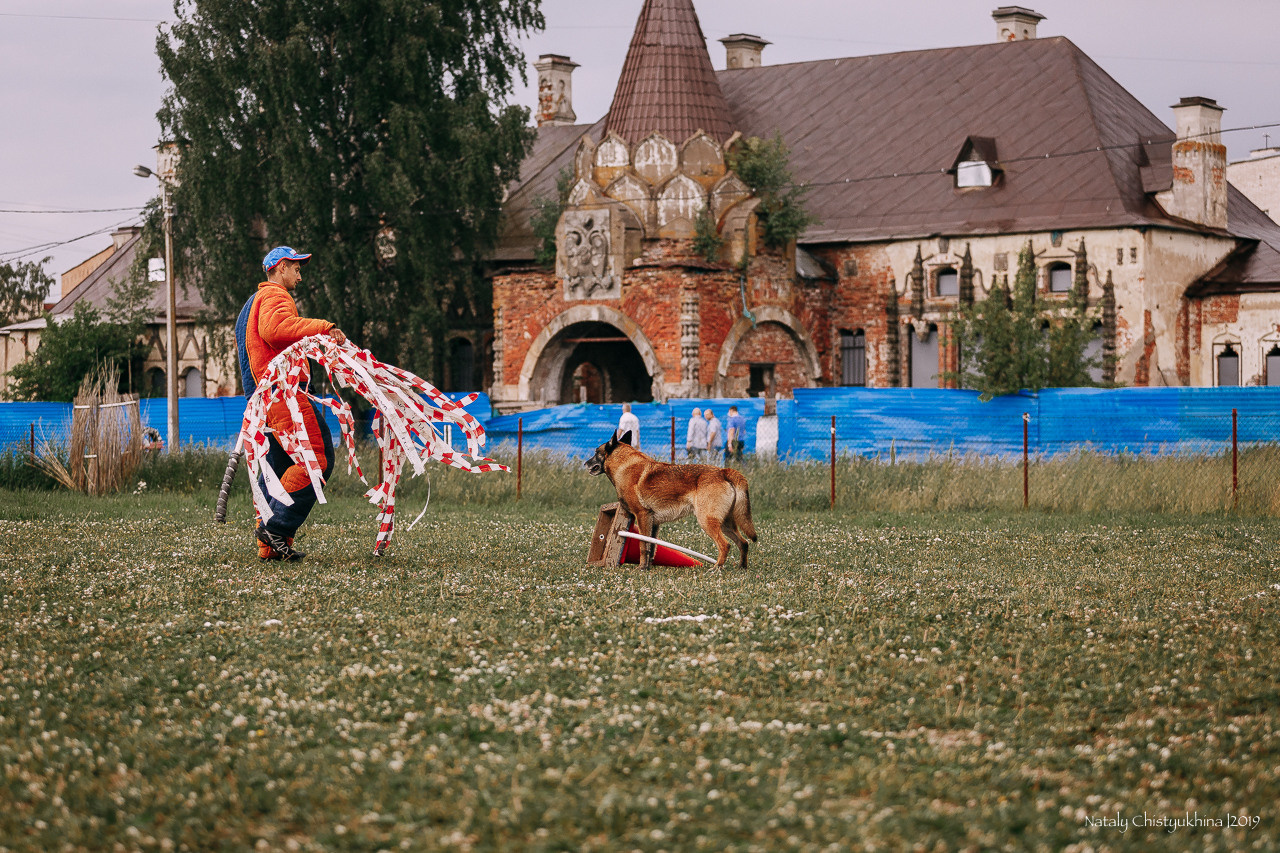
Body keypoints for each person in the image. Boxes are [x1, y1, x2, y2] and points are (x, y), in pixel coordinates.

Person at [235, 246, 347, 562]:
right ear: (281, 267)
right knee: (317, 460)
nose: (300, 276)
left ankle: (271, 547)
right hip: (284, 395)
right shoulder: (275, 295)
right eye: (296, 269)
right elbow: (276, 330)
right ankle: (276, 527)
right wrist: (323, 327)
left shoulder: (250, 305)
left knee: (278, 468)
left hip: (263, 399)